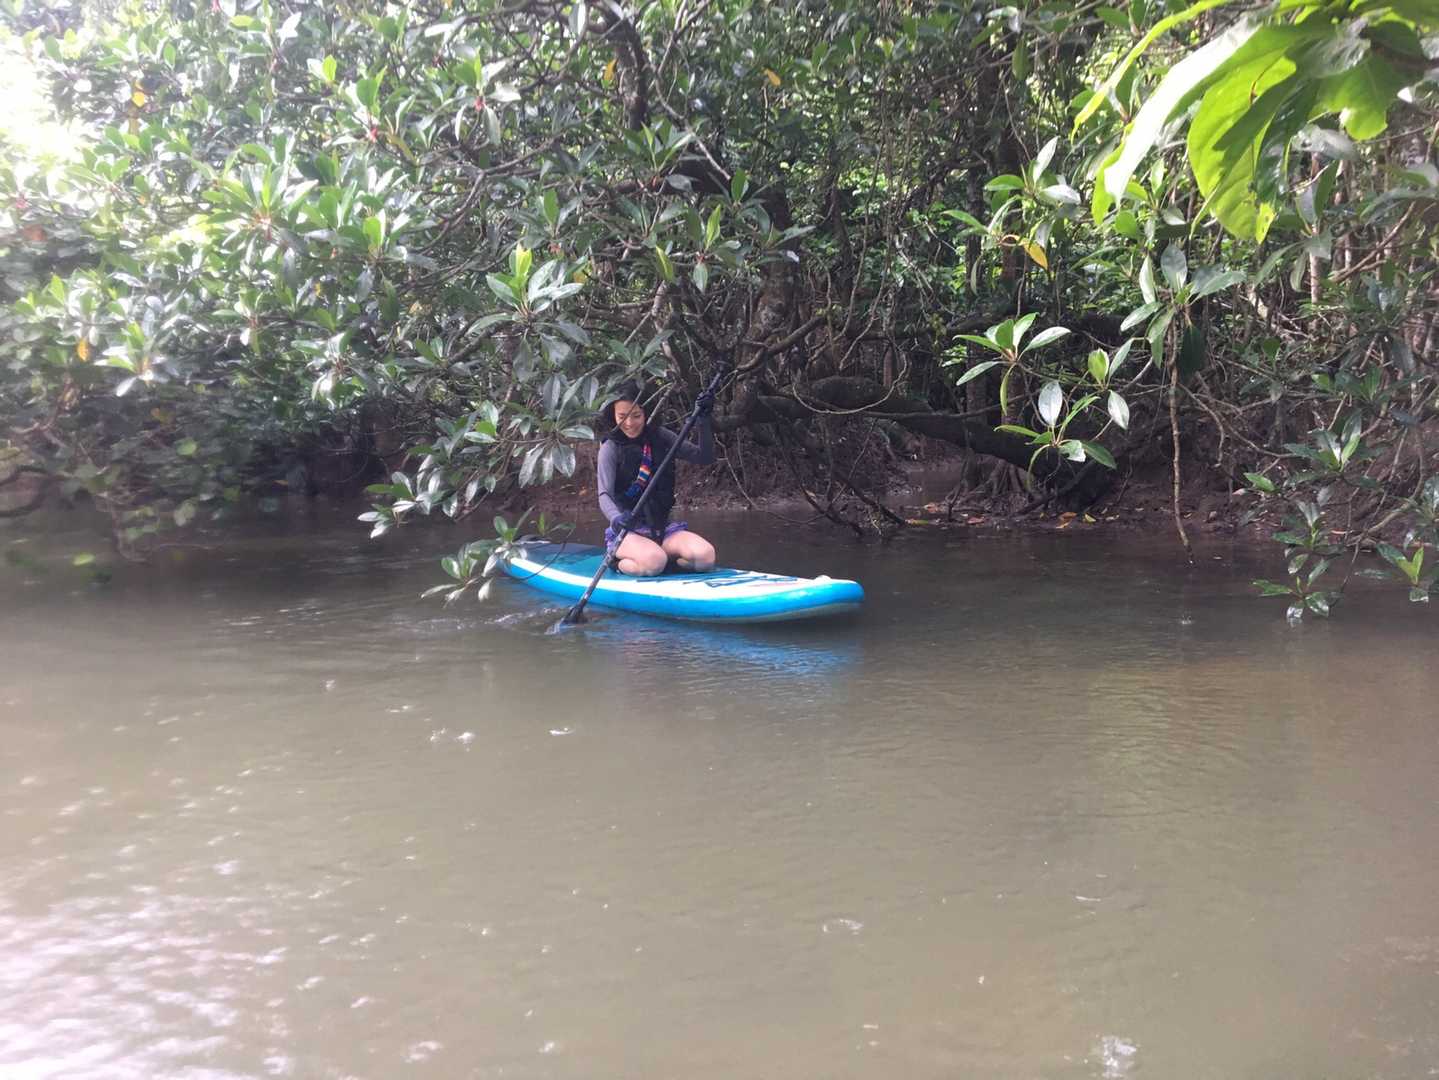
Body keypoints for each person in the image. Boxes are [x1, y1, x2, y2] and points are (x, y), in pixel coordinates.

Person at [596, 380, 717, 576]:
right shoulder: (610, 448)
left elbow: (704, 457)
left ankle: (661, 562)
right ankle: (619, 563)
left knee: (705, 557)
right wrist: (616, 518)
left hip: (662, 530)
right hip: (627, 532)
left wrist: (703, 422)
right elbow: (604, 494)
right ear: (613, 416)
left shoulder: (661, 436)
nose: (629, 423)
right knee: (654, 561)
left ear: (646, 413)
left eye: (636, 416)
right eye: (622, 416)